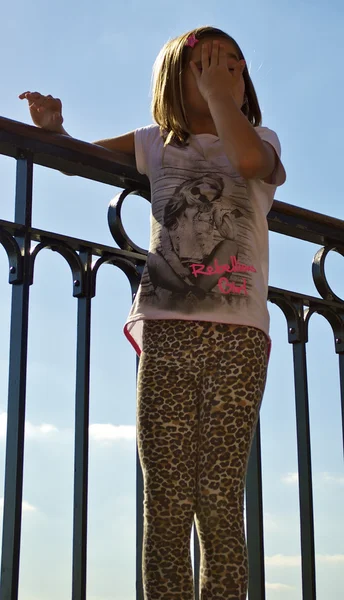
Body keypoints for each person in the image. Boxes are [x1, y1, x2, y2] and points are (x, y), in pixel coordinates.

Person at [20, 25, 286, 600]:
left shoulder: (263, 141)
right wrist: (55, 131)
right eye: (210, 66)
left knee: (218, 497)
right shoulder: (154, 143)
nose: (227, 73)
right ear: (176, 79)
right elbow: (79, 162)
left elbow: (245, 160)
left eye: (235, 65)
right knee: (165, 496)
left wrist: (217, 94)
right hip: (167, 331)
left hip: (239, 339)